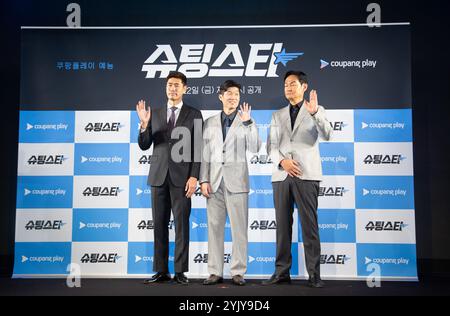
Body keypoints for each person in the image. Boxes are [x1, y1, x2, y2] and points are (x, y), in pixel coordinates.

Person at [263, 71, 332, 288]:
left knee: (309, 226)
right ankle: (281, 272)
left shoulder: (316, 110)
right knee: (282, 228)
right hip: (282, 176)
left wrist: (314, 114)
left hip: (307, 175)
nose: (288, 88)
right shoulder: (277, 115)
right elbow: (271, 147)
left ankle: (314, 274)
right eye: (286, 85)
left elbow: (328, 134)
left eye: (293, 84)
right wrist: (282, 162)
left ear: (304, 86)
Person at [136, 71, 203, 285]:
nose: (172, 88)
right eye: (169, 85)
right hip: (158, 177)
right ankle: (161, 270)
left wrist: (194, 177)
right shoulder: (153, 113)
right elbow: (145, 145)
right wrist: (144, 126)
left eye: (176, 85)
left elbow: (198, 149)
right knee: (159, 225)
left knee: (181, 225)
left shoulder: (195, 114)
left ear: (185, 89)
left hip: (182, 179)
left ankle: (180, 271)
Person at [199, 80, 261, 286]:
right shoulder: (209, 122)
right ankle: (215, 271)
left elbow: (255, 147)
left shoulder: (246, 120)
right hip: (214, 183)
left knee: (239, 230)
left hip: (237, 182)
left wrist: (249, 123)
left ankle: (238, 271)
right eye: (229, 93)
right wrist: (204, 179)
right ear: (220, 96)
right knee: (214, 228)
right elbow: (204, 154)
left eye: (236, 94)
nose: (233, 97)